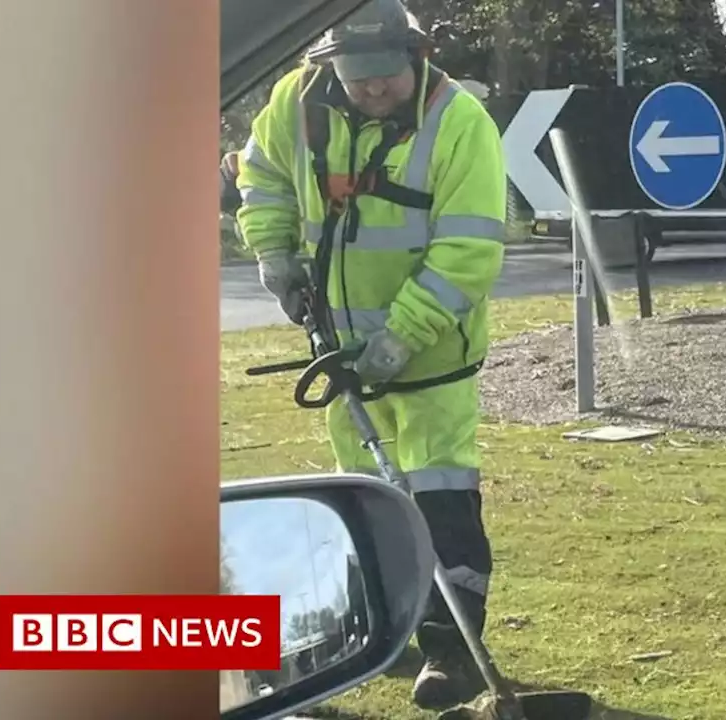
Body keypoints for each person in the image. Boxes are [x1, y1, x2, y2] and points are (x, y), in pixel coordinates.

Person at [233, 0, 506, 709]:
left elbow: (468, 250)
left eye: (386, 75)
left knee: (440, 493)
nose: (373, 89)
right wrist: (276, 256)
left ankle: (452, 650)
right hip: (341, 349)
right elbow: (259, 176)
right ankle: (373, 633)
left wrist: (399, 339)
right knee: (363, 500)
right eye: (358, 77)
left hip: (430, 354)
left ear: (413, 58)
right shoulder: (293, 102)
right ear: (330, 66)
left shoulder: (459, 123)